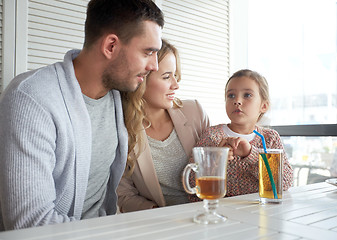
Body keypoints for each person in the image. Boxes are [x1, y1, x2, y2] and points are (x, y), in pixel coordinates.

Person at [0, 0, 164, 231]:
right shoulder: (31, 98)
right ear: (110, 46)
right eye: (148, 52)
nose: (154, 66)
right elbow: (31, 224)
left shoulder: (118, 96)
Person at [117, 39, 210, 212]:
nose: (176, 85)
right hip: (161, 225)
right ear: (141, 80)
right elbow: (123, 195)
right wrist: (159, 214)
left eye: (175, 75)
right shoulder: (122, 130)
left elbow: (216, 169)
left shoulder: (195, 112)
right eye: (167, 77)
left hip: (205, 216)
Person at [189, 69, 293, 201]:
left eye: (247, 95)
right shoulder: (211, 135)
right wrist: (217, 161)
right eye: (231, 95)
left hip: (259, 212)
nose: (237, 101)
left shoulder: (270, 138)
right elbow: (191, 182)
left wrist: (251, 154)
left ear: (264, 106)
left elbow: (285, 182)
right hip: (221, 212)